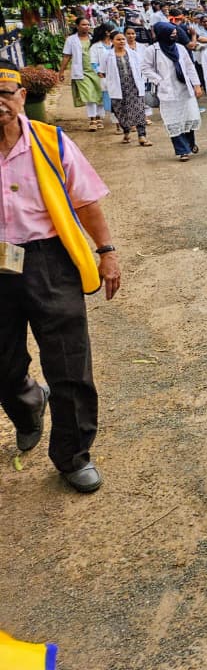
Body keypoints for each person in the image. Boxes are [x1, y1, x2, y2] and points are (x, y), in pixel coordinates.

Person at [0, 60, 121, 493]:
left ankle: (72, 455)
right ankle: (27, 401)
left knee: (69, 365)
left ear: (21, 97)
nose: (0, 104)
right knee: (3, 365)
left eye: (6, 94)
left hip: (49, 260)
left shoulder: (51, 142)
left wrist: (106, 252)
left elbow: (86, 201)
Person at [141, 21, 203, 161]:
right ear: (163, 34)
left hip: (184, 89)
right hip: (167, 92)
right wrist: (159, 80)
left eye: (175, 34)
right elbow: (145, 68)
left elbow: (189, 67)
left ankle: (190, 143)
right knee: (173, 120)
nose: (174, 36)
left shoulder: (180, 48)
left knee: (188, 116)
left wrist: (197, 85)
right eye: (172, 34)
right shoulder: (153, 50)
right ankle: (182, 151)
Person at [101, 28, 151, 146]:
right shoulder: (107, 56)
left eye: (123, 39)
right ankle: (126, 131)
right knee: (121, 112)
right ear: (112, 41)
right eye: (118, 39)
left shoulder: (133, 54)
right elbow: (102, 71)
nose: (122, 41)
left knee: (139, 110)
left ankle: (142, 135)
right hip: (118, 88)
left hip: (134, 86)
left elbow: (141, 68)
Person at [58, 16, 105, 131]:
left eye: (88, 24)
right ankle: (92, 119)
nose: (86, 27)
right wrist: (61, 71)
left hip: (96, 70)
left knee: (99, 94)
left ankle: (99, 117)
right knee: (89, 94)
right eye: (83, 24)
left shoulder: (94, 38)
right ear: (77, 26)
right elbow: (66, 56)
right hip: (82, 72)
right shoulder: (71, 40)